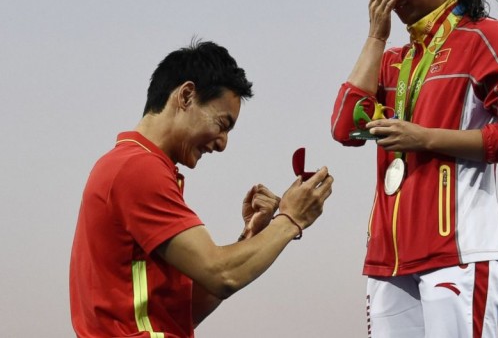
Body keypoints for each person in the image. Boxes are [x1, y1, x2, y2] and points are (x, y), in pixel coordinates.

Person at [329, 0, 498, 338]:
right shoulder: (391, 60)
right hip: (389, 258)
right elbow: (343, 127)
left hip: (459, 250)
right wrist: (375, 36)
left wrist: (423, 138)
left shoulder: (486, 38)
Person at [71, 40, 335, 338]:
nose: (222, 144)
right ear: (186, 95)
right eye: (223, 124)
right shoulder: (138, 170)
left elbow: (187, 310)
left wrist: (250, 236)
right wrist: (291, 219)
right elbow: (222, 274)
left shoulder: (128, 165)